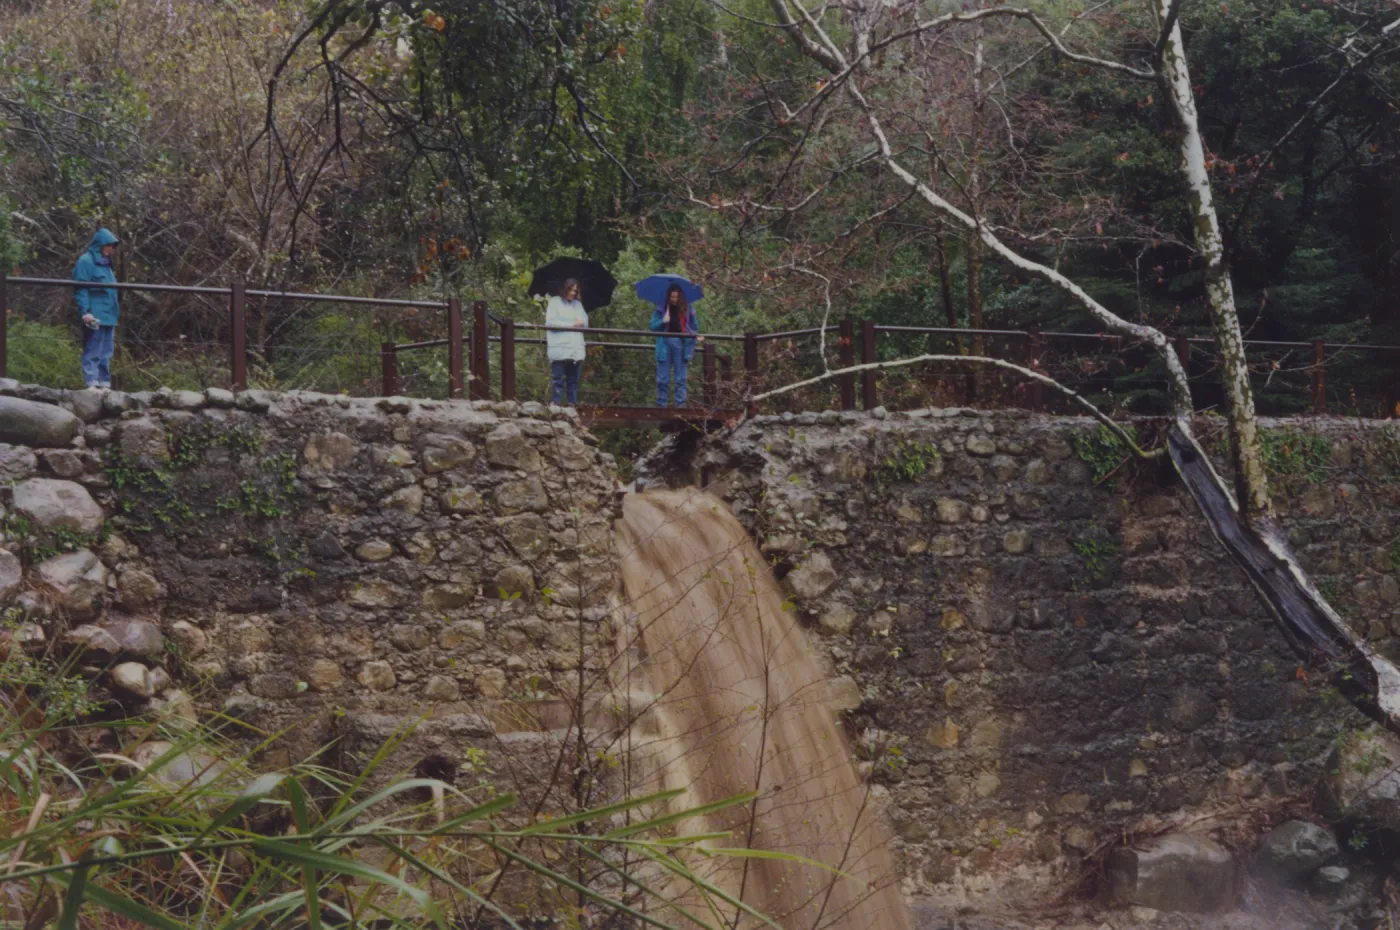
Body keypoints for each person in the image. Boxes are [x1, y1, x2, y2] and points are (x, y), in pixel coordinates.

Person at [73, 228, 121, 389]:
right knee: (93, 349)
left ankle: (103, 383)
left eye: (113, 246)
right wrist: (85, 312)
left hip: (109, 315)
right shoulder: (85, 261)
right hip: (95, 314)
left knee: (106, 352)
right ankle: (91, 382)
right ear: (101, 244)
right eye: (110, 245)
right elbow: (80, 288)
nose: (112, 249)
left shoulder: (107, 265)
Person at [650, 283, 702, 408]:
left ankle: (680, 406)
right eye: (672, 297)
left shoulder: (688, 309)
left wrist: (692, 334)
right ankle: (661, 406)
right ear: (668, 296)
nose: (674, 299)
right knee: (662, 379)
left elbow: (694, 327)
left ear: (681, 297)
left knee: (681, 378)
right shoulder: (661, 309)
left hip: (681, 344)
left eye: (677, 297)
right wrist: (663, 321)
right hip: (664, 344)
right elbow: (652, 326)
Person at [545, 278, 587, 405]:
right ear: (565, 288)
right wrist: (571, 324)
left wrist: (581, 323)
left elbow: (585, 322)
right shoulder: (554, 302)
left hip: (575, 348)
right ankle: (556, 404)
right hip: (559, 348)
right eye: (571, 289)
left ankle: (572, 405)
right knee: (558, 378)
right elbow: (550, 322)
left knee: (573, 380)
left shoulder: (578, 305)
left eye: (575, 290)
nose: (573, 293)